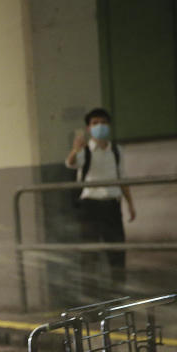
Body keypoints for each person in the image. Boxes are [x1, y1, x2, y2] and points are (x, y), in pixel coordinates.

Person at [65, 108, 137, 298]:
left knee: (117, 250)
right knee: (89, 252)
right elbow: (70, 163)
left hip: (112, 204)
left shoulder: (116, 150)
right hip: (90, 205)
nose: (100, 126)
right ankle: (90, 295)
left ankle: (118, 293)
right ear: (89, 128)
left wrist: (130, 204)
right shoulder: (85, 151)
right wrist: (75, 148)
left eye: (103, 122)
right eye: (95, 123)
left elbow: (122, 178)